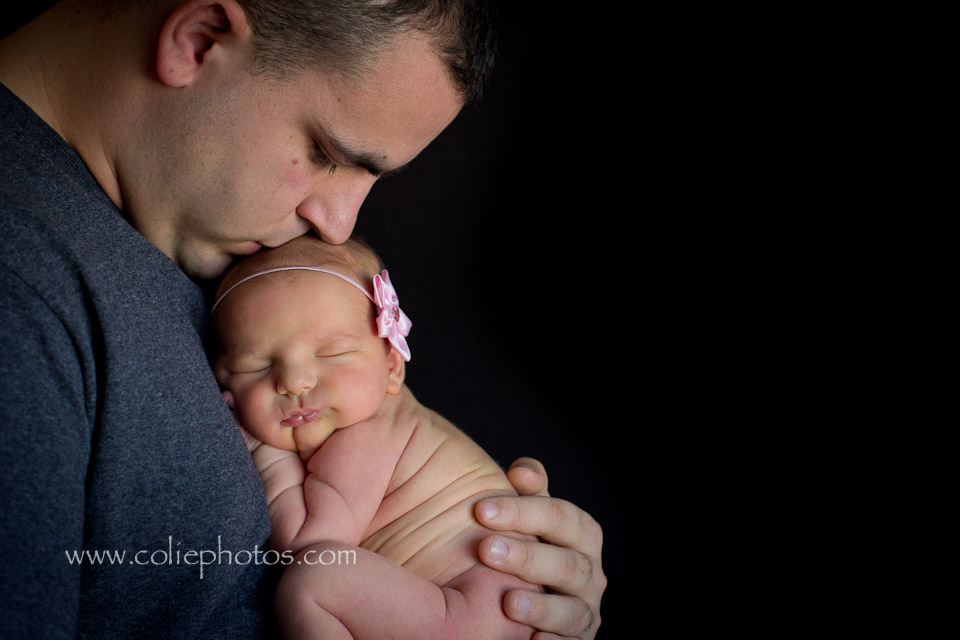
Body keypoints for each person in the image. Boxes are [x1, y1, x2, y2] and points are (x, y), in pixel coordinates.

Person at [0, 1, 604, 639]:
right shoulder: (21, 286)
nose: (339, 226)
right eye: (325, 153)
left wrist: (526, 596)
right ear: (200, 40)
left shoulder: (202, 227)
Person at [212, 234, 547, 639]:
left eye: (331, 353)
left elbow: (305, 540)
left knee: (313, 580)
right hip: (466, 607)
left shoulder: (368, 433)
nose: (294, 381)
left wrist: (262, 449)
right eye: (256, 367)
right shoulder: (364, 415)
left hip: (473, 609)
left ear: (391, 365)